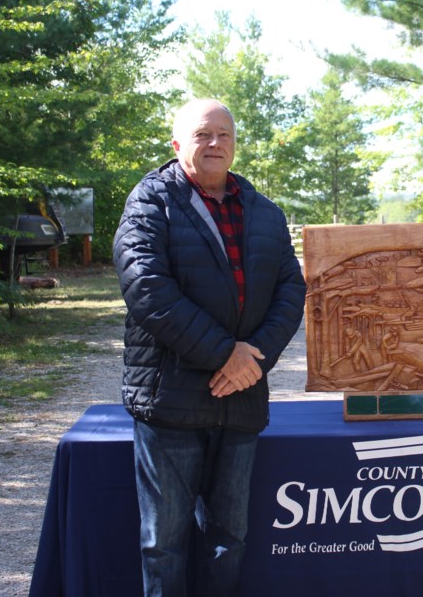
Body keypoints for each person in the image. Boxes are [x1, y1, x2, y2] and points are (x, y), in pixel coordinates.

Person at [113, 98, 306, 597]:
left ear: (235, 144)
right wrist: (226, 355)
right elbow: (147, 290)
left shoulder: (264, 211)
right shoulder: (150, 201)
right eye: (202, 134)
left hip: (240, 399)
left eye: (224, 134)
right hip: (172, 400)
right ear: (178, 144)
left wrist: (252, 359)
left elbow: (291, 290)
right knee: (164, 545)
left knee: (229, 540)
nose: (215, 143)